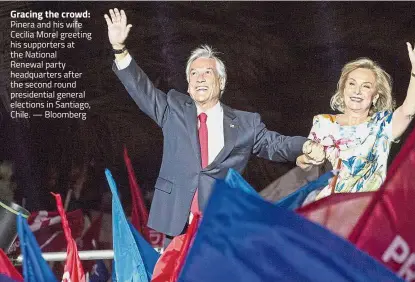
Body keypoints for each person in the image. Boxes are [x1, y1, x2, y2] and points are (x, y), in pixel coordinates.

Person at [103, 8, 322, 239]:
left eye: (207, 72)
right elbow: (142, 90)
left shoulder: (246, 123)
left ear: (221, 82)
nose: (200, 78)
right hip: (176, 224)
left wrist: (305, 146)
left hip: (222, 223)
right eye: (194, 74)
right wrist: (120, 50)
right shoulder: (173, 108)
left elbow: (275, 144)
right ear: (188, 85)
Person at [297, 31, 415, 200]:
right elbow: (305, 168)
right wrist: (307, 158)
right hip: (327, 210)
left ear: (375, 96)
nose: (357, 91)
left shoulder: (381, 126)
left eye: (366, 86)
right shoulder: (323, 122)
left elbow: (408, 111)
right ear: (343, 90)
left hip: (365, 212)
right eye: (352, 84)